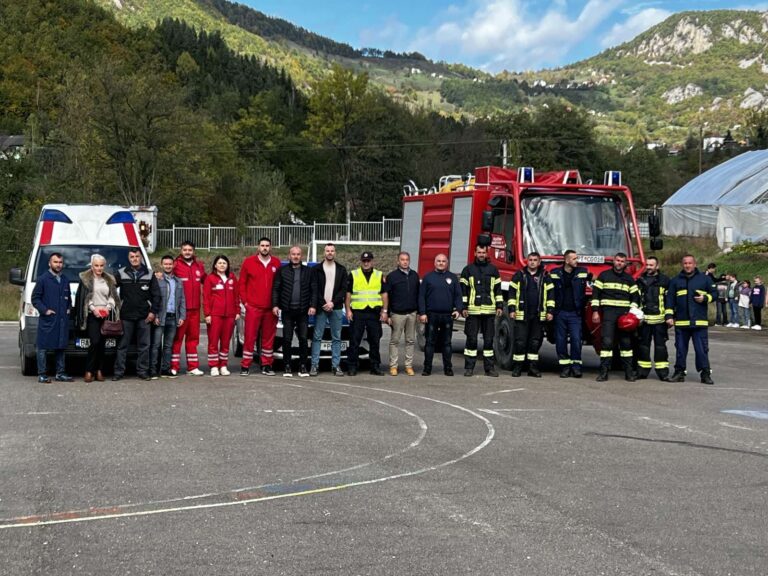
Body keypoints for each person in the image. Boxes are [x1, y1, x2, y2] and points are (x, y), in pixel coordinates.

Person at [666, 254, 716, 385]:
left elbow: (715, 294)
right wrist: (669, 316)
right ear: (682, 265)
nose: (687, 265)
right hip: (682, 324)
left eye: (690, 263)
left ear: (695, 264)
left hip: (699, 323)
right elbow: (670, 300)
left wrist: (705, 298)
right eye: (685, 263)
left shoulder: (705, 279)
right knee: (680, 350)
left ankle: (705, 374)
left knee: (702, 350)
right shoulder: (675, 281)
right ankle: (679, 373)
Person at [113, 248, 162, 381]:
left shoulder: (150, 274)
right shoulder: (121, 273)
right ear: (128, 258)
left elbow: (156, 296)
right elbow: (109, 287)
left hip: (144, 316)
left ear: (141, 257)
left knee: (144, 346)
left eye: (137, 256)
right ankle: (118, 372)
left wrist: (153, 312)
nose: (134, 259)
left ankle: (142, 372)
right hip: (126, 316)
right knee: (122, 346)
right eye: (132, 256)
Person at [591, 252, 640, 382]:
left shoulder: (629, 279)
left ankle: (629, 373)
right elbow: (595, 295)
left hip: (624, 315)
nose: (619, 263)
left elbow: (636, 297)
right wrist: (595, 311)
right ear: (613, 261)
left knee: (626, 344)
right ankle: (603, 372)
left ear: (625, 263)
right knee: (607, 343)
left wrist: (632, 312)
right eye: (617, 260)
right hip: (608, 314)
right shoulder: (604, 276)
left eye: (622, 261)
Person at [239, 237, 282, 376]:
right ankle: (245, 365)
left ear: (271, 247)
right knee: (250, 336)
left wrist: (277, 304)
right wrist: (245, 302)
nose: (265, 248)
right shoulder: (249, 262)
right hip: (253, 307)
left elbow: (280, 285)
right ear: (258, 247)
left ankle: (267, 365)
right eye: (262, 245)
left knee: (268, 338)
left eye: (267, 245)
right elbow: (242, 283)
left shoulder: (276, 263)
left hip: (270, 308)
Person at [507, 252, 554, 378]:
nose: (532, 262)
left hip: (539, 315)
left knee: (535, 342)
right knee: (520, 342)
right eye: (530, 260)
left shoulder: (545, 276)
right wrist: (511, 309)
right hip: (522, 315)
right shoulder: (519, 275)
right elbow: (511, 294)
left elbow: (550, 295)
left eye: (535, 260)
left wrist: (550, 311)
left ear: (539, 262)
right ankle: (518, 367)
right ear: (527, 261)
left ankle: (532, 368)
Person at [75, 254, 120, 383]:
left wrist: (108, 307)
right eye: (96, 265)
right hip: (92, 314)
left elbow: (113, 296)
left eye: (101, 265)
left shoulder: (109, 279)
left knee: (102, 344)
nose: (99, 268)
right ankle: (89, 371)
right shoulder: (85, 279)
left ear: (104, 266)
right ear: (92, 265)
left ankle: (99, 370)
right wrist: (94, 309)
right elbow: (83, 298)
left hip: (106, 314)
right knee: (94, 342)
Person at [460, 244, 503, 377]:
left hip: (489, 311)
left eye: (483, 252)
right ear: (475, 253)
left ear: (487, 253)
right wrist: (463, 307)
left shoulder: (493, 270)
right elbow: (463, 291)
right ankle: (469, 367)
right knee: (471, 340)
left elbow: (498, 290)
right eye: (479, 252)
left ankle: (489, 369)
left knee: (489, 340)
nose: (481, 255)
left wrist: (500, 306)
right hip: (472, 311)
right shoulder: (468, 270)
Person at [31, 252, 74, 383]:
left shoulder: (65, 279)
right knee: (42, 346)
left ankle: (60, 373)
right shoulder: (43, 279)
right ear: (50, 263)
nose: (58, 265)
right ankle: (42, 374)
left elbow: (68, 299)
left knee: (60, 346)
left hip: (62, 319)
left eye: (60, 262)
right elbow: (35, 298)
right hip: (48, 319)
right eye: (55, 262)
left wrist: (68, 309)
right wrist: (45, 311)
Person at [418, 253, 462, 377]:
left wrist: (458, 310)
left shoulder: (452, 278)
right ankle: (427, 368)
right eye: (438, 261)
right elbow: (421, 296)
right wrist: (422, 313)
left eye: (443, 261)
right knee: (430, 343)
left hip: (447, 316)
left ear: (447, 263)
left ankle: (448, 368)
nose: (441, 263)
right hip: (431, 315)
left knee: (447, 343)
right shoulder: (428, 278)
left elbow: (458, 296)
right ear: (434, 263)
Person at [308, 243, 348, 377]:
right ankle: (314, 365)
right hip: (321, 308)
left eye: (332, 251)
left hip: (336, 308)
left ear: (335, 253)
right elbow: (314, 289)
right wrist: (324, 303)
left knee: (336, 338)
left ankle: (336, 366)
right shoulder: (316, 269)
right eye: (327, 251)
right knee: (317, 337)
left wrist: (332, 303)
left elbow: (343, 289)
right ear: (324, 252)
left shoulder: (342, 270)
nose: (330, 253)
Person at [272, 246, 312, 378]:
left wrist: (313, 306)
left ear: (302, 256)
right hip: (287, 311)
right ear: (289, 256)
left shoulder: (308, 271)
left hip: (303, 311)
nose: (296, 256)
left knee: (303, 339)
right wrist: (275, 305)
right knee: (287, 339)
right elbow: (276, 289)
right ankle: (287, 366)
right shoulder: (282, 271)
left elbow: (314, 289)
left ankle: (303, 366)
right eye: (293, 254)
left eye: (298, 254)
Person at [549, 250, 589, 378]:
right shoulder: (555, 273)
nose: (576, 261)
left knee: (576, 340)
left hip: (575, 313)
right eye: (574, 259)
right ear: (566, 260)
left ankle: (576, 367)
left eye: (576, 258)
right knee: (560, 341)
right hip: (560, 313)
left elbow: (594, 282)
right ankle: (565, 367)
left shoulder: (582, 272)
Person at [345, 251, 385, 376]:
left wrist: (385, 311)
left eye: (368, 261)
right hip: (358, 312)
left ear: (372, 261)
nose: (366, 263)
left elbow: (384, 294)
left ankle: (375, 366)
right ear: (361, 261)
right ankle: (352, 366)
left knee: (375, 341)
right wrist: (348, 310)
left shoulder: (379, 275)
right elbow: (348, 294)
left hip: (374, 313)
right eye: (364, 261)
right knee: (354, 341)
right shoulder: (353, 274)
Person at [171, 241, 206, 376]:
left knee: (193, 339)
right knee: (177, 338)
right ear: (181, 251)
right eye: (184, 250)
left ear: (194, 251)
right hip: (180, 310)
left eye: (190, 250)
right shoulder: (175, 265)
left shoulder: (199, 266)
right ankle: (174, 366)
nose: (187, 252)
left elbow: (208, 282)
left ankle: (192, 367)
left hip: (195, 309)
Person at [382, 251, 420, 376]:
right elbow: (387, 296)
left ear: (409, 261)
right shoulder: (392, 276)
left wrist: (419, 312)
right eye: (402, 259)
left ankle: (408, 366)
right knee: (395, 341)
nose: (405, 262)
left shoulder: (414, 275)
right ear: (398, 261)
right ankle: (393, 366)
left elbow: (418, 295)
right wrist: (387, 313)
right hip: (397, 314)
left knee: (410, 341)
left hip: (412, 314)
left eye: (407, 259)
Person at [636, 256, 671, 381]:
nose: (649, 267)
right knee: (643, 347)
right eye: (647, 265)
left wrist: (670, 317)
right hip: (644, 321)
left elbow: (670, 301)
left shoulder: (665, 280)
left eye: (651, 265)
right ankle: (642, 371)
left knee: (660, 347)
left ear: (657, 266)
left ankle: (663, 372)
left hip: (660, 321)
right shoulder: (639, 280)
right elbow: (636, 299)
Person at [204, 255, 240, 376]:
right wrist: (207, 314)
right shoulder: (210, 279)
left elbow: (236, 296)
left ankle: (223, 365)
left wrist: (237, 311)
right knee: (213, 341)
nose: (222, 265)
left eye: (224, 263)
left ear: (227, 265)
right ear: (215, 265)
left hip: (229, 315)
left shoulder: (232, 278)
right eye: (219, 263)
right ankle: (214, 366)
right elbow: (206, 298)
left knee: (225, 342)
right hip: (215, 315)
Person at [151, 255, 186, 379]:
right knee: (155, 345)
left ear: (173, 265)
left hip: (173, 317)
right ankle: (153, 370)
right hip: (160, 317)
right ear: (161, 264)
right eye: (165, 264)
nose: (168, 266)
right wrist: (154, 315)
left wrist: (182, 316)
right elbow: (153, 299)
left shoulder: (178, 281)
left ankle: (165, 369)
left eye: (170, 264)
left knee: (168, 346)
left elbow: (182, 300)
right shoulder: (156, 279)